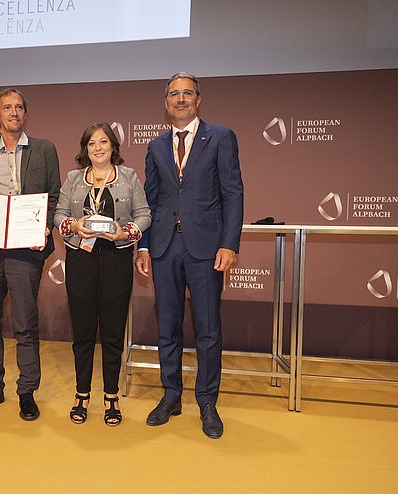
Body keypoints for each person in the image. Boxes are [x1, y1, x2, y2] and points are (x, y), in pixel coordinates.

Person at [136, 73, 244, 438]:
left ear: (198, 99)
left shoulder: (222, 137)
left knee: (208, 329)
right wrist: (146, 244)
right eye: (174, 94)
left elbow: (233, 193)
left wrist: (230, 243)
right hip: (166, 246)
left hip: (207, 248)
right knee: (168, 326)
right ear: (165, 102)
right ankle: (171, 395)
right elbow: (150, 202)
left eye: (187, 93)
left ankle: (208, 402)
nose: (180, 99)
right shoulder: (155, 146)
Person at [0, 88, 60, 421]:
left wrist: (46, 227)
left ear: (25, 114)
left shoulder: (45, 149)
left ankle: (26, 391)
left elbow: (54, 198)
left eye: (19, 107)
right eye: (7, 107)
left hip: (25, 249)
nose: (14, 112)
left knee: (25, 325)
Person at [55, 123, 150, 426]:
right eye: (92, 143)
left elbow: (145, 214)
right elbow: (58, 214)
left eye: (103, 142)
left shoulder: (128, 177)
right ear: (85, 148)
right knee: (82, 334)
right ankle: (81, 394)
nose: (98, 148)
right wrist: (74, 225)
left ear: (113, 147)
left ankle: (111, 396)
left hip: (115, 261)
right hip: (81, 261)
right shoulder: (73, 178)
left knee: (112, 334)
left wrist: (127, 232)